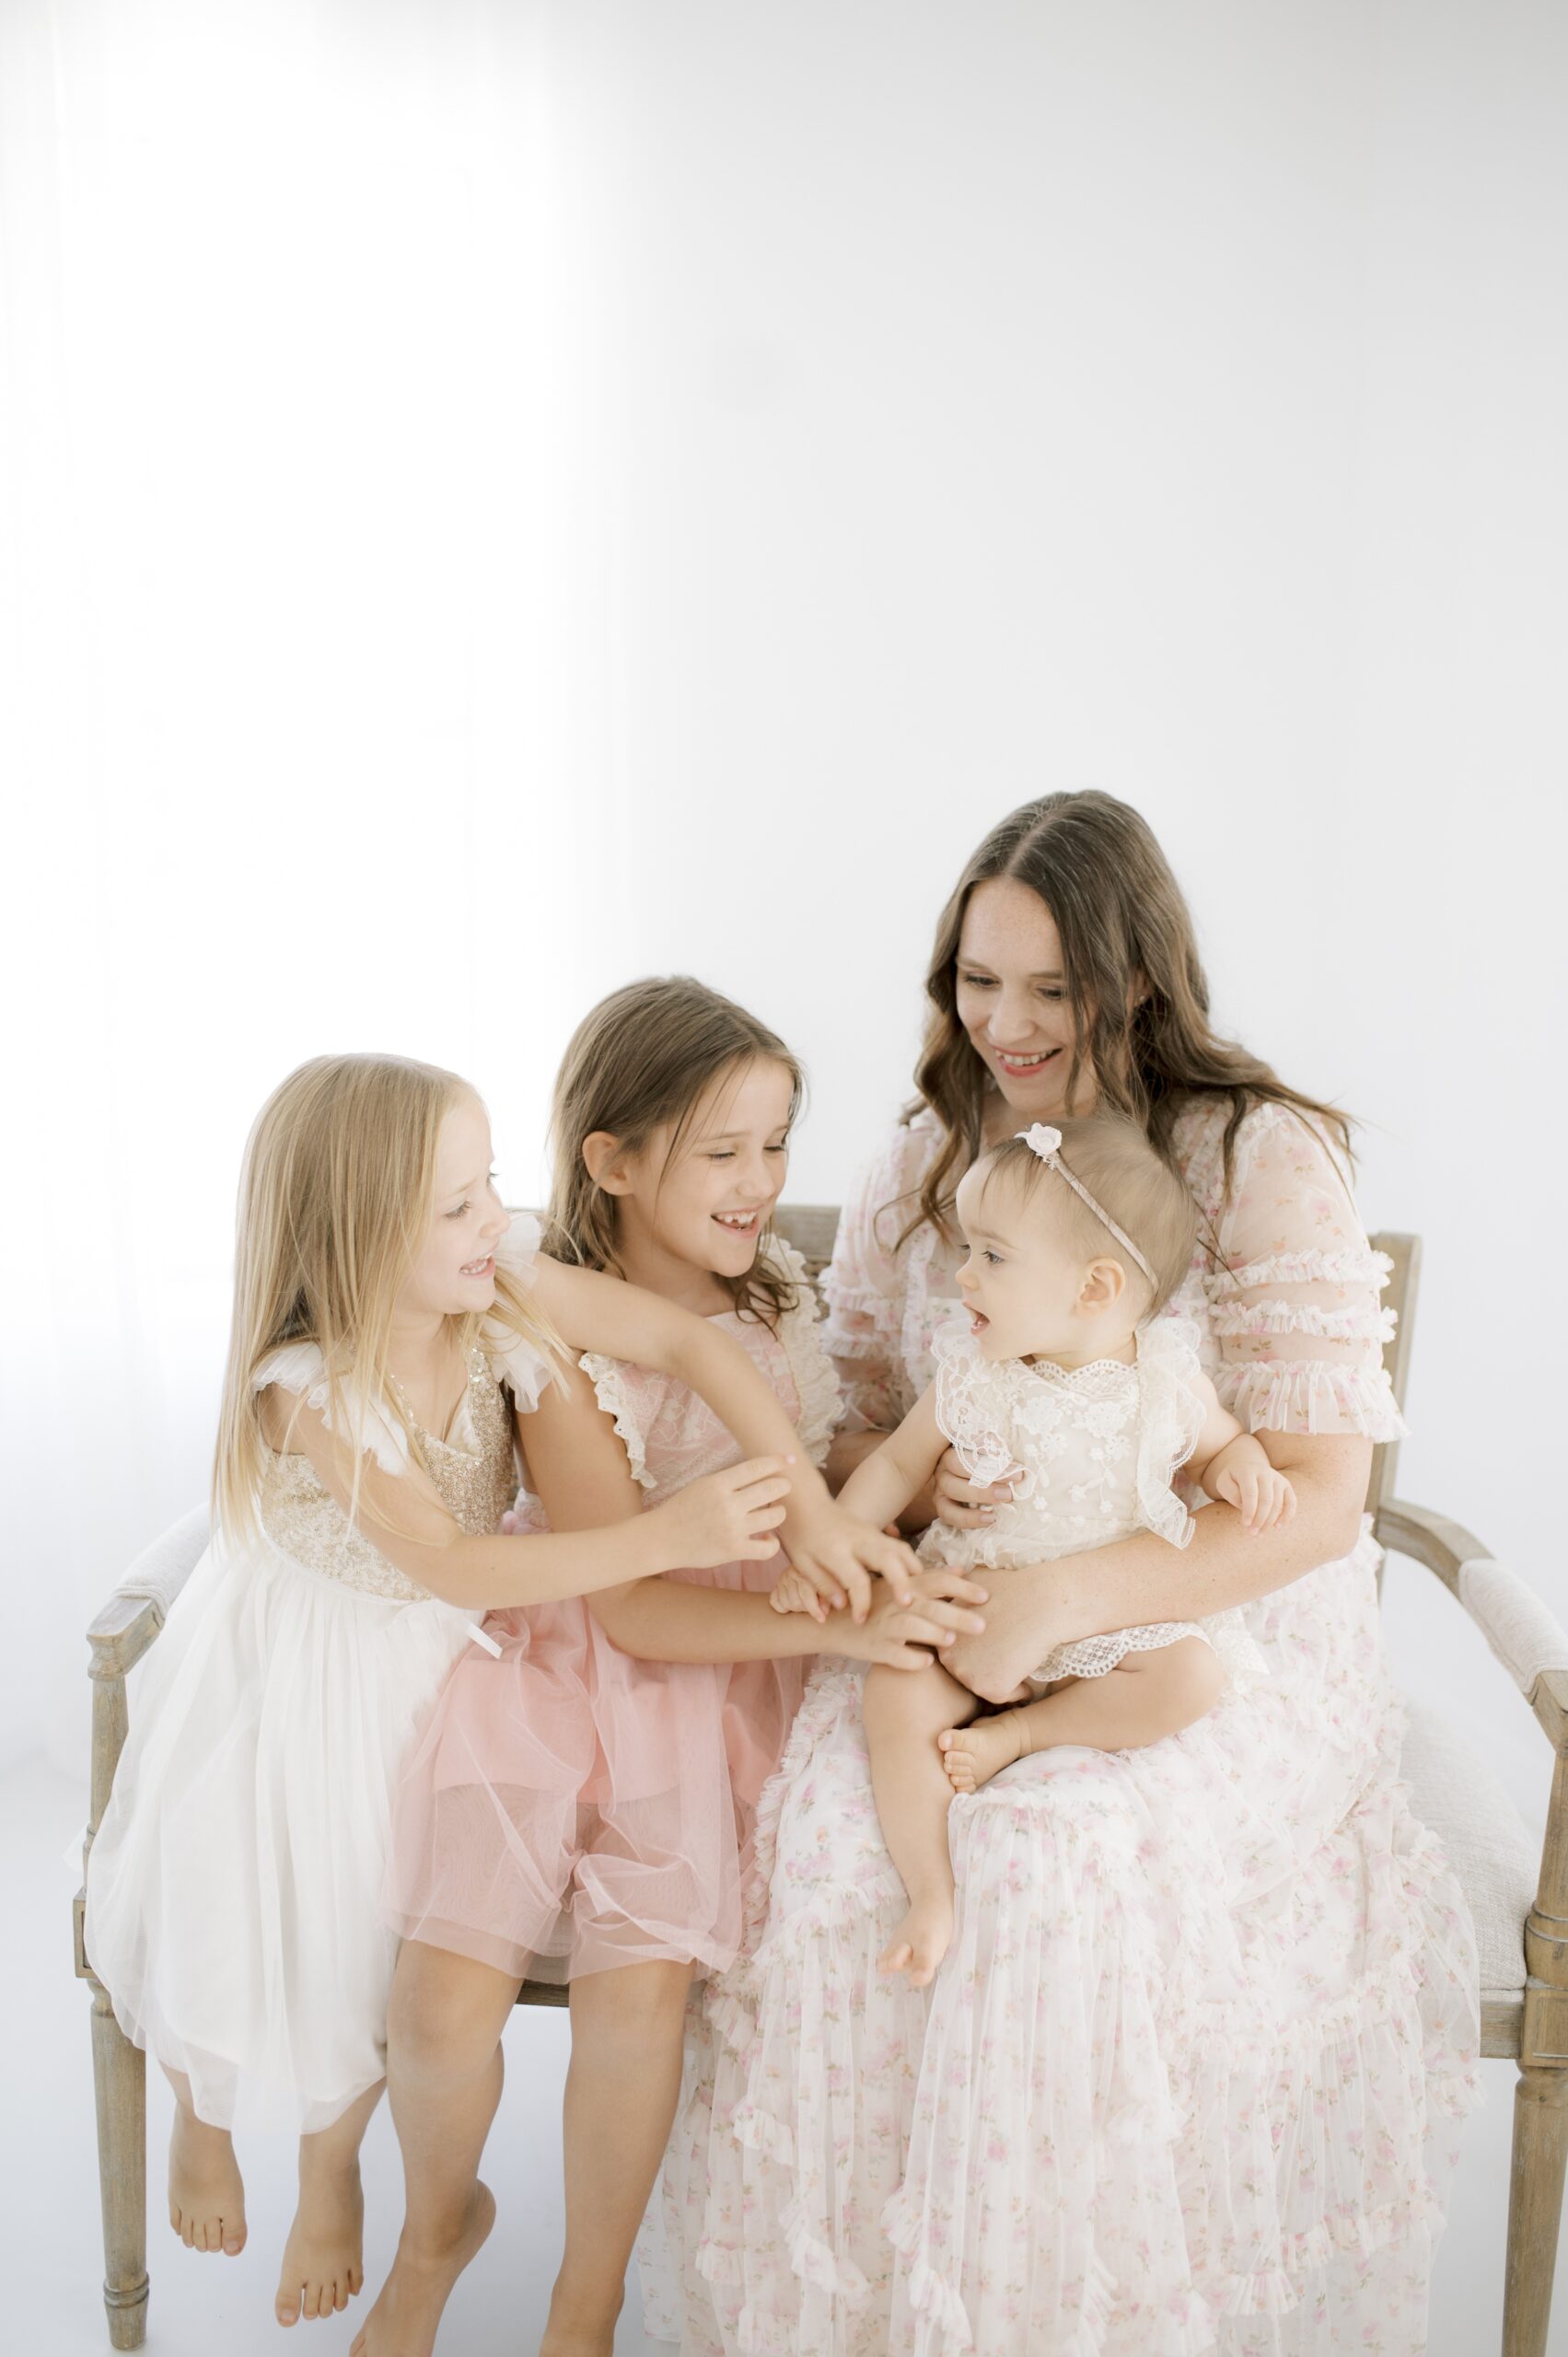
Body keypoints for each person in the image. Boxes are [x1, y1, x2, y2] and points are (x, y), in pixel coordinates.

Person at [657, 793, 1480, 2356]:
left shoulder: (1250, 1154)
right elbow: (864, 1440)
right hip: (960, 1599)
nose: (1006, 1023)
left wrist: (1075, 1596)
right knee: (839, 1860)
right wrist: (910, 1511)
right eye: (977, 981)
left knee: (1056, 1876)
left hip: (1205, 1622)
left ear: (1135, 977)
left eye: (1049, 987)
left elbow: (1310, 1502)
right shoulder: (927, 1151)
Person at [84, 1050, 912, 2332]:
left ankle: (472, 2250)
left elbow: (686, 1339)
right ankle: (264, 2144)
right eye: (460, 1207)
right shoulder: (304, 1397)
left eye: (488, 1190)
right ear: (363, 1238)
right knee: (256, 1897)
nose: (498, 1224)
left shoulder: (498, 1283)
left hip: (460, 1644)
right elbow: (454, 1560)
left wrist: (801, 1506)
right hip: (345, 1653)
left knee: (446, 1931)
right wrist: (669, 1533)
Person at [364, 984, 987, 2357]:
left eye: (774, 1146)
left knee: (637, 1984)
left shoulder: (775, 1291)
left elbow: (816, 1470)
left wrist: (887, 1533)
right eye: (722, 1152)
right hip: (587, 1653)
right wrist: (827, 1618)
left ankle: (579, 2316)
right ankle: (430, 2230)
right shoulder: (545, 1338)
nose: (760, 1182)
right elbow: (634, 1613)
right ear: (613, 1160)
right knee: (443, 1999)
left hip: (735, 1673)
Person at [791, 1113, 1285, 1990]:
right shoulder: (975, 1378)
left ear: (1093, 1288)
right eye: (967, 1250)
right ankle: (930, 1893)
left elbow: (1217, 1446)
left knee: (1190, 1678)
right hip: (976, 1610)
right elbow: (899, 1463)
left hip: (1105, 1626)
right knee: (895, 1701)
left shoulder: (1164, 1380)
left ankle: (1026, 1732)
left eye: (991, 1256)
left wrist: (1244, 1468)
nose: (961, 1275)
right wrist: (840, 1544)